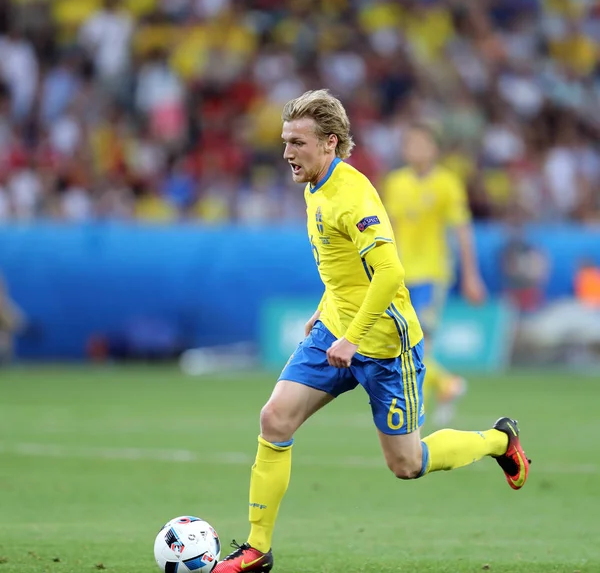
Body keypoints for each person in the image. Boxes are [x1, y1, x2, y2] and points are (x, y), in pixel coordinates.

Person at [214, 90, 530, 573]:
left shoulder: (355, 195)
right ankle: (257, 550)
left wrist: (354, 337)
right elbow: (343, 268)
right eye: (285, 142)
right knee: (274, 420)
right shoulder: (313, 187)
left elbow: (388, 275)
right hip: (335, 330)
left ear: (330, 143)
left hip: (384, 345)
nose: (286, 153)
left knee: (407, 464)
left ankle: (498, 441)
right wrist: (326, 310)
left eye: (297, 142)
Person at [382, 123, 486, 426]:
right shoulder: (395, 182)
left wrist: (471, 275)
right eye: (411, 144)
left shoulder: (446, 183)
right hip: (399, 275)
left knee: (419, 341)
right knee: (402, 342)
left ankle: (426, 399)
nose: (416, 150)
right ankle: (444, 386)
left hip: (432, 274)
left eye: (422, 144)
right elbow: (389, 228)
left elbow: (462, 230)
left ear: (434, 148)